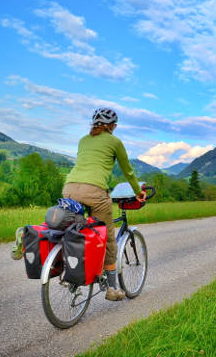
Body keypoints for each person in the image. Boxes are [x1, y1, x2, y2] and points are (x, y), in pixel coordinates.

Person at [61, 108, 145, 301]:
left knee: (75, 230)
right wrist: (138, 191)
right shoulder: (114, 141)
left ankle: (70, 267)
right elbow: (128, 171)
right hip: (95, 192)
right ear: (112, 126)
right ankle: (112, 289)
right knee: (107, 238)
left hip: (69, 189)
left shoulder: (83, 140)